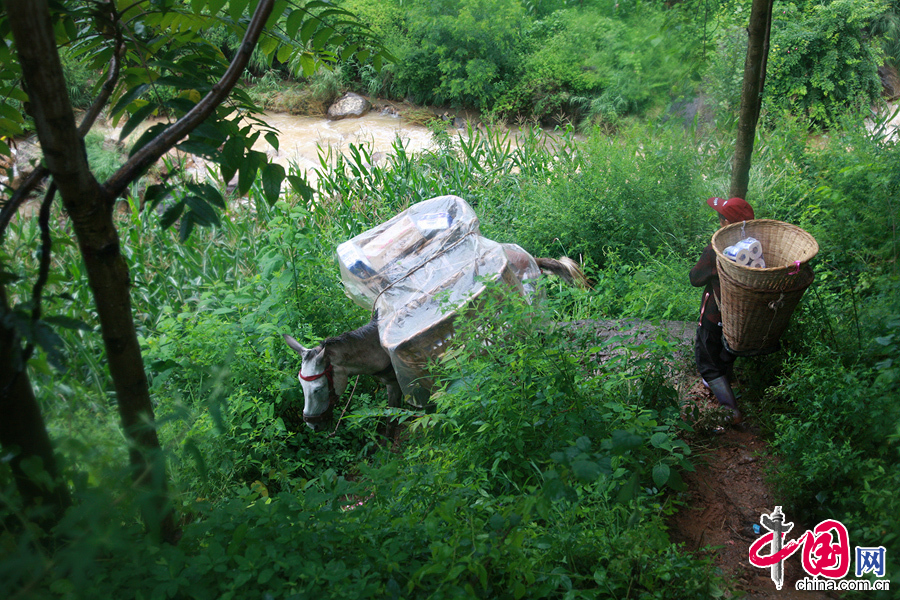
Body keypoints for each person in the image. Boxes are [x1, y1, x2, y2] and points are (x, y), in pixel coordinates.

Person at [690, 196, 755, 426]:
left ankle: (731, 410)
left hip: (713, 316)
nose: (718, 220)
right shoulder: (756, 248)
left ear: (726, 223)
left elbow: (695, 278)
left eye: (720, 217)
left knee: (706, 361)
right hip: (740, 319)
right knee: (725, 355)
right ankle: (723, 387)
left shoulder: (716, 250)